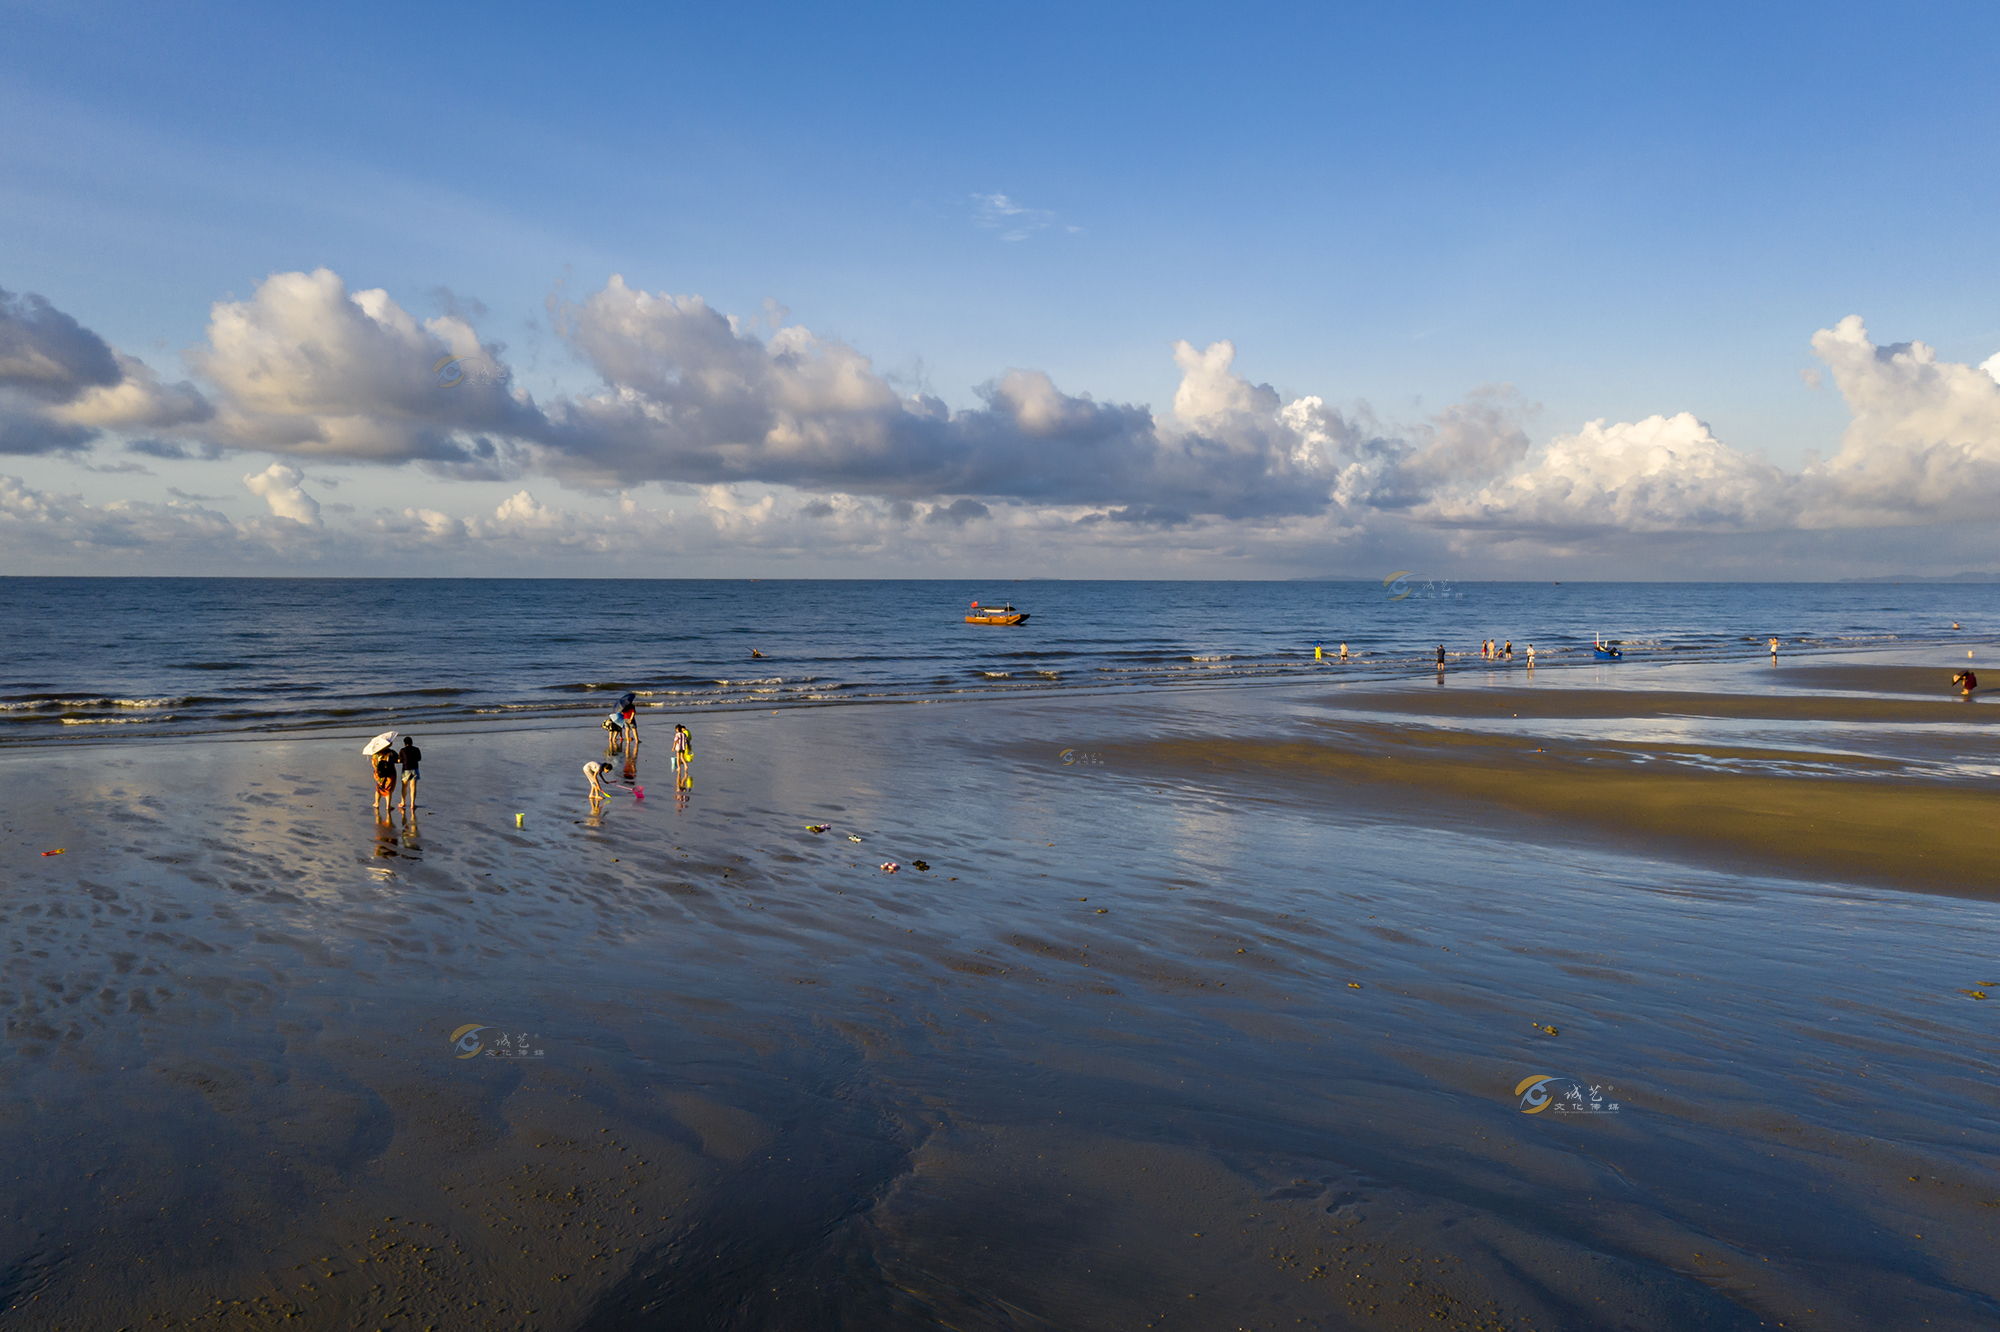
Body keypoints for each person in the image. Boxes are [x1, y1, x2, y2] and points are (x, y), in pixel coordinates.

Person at [372, 744, 399, 817]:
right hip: (390, 773)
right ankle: (388, 806)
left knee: (378, 788)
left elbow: (373, 764)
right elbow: (398, 760)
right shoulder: (391, 753)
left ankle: (377, 803)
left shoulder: (375, 755)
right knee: (388, 789)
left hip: (379, 774)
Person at [398, 736, 421, 816]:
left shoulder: (402, 750)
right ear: (412, 742)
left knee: (404, 786)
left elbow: (399, 760)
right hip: (415, 769)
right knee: (413, 787)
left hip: (406, 769)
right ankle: (412, 804)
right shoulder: (416, 749)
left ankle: (403, 802)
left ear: (405, 743)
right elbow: (419, 758)